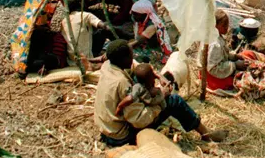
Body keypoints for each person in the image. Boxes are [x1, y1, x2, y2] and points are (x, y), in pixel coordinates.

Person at [94, 39, 227, 146]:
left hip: (106, 129)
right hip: (121, 136)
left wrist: (156, 75)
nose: (133, 56)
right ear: (123, 59)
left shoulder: (109, 65)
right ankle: (206, 134)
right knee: (175, 101)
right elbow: (139, 121)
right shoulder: (122, 84)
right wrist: (161, 97)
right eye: (130, 55)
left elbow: (137, 67)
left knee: (140, 75)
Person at [200, 10, 265, 91]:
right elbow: (213, 68)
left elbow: (222, 55)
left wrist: (235, 56)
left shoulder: (217, 37)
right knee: (248, 76)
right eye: (224, 25)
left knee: (247, 54)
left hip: (219, 72)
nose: (227, 27)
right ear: (214, 25)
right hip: (213, 79)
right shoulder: (215, 44)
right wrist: (235, 65)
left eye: (227, 24)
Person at [61, 0, 113, 66]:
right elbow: (103, 26)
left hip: (71, 61)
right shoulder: (86, 15)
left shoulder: (64, 20)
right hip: (86, 60)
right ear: (80, 4)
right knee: (102, 31)